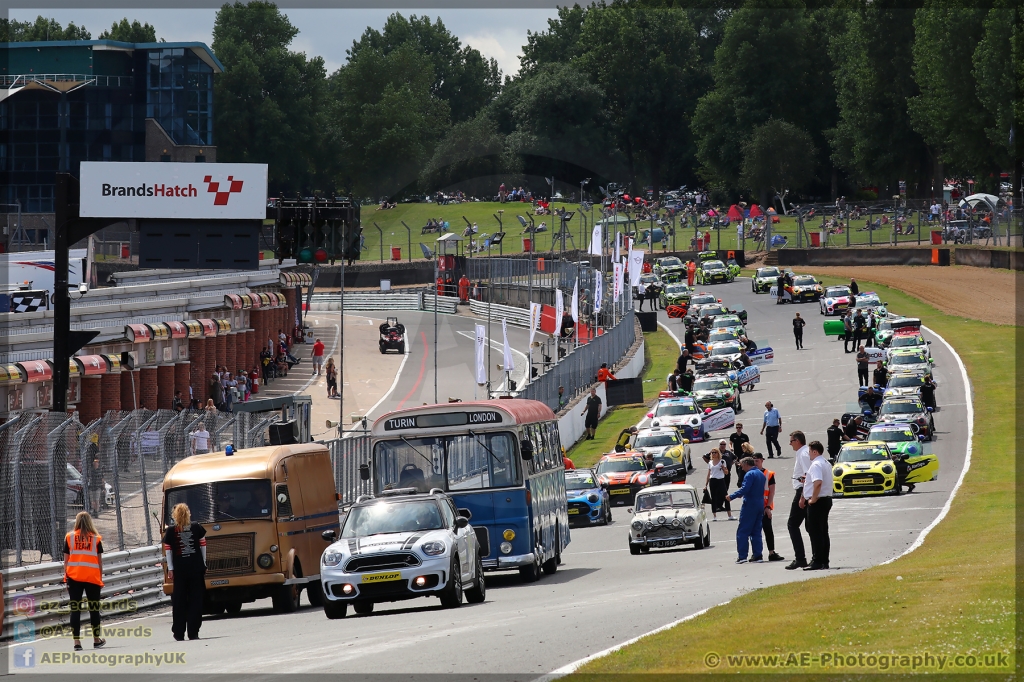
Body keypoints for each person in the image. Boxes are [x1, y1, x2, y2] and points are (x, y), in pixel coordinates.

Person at [163, 503, 208, 640]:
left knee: (179, 601)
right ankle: (193, 632)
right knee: (196, 600)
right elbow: (203, 546)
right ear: (188, 513)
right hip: (195, 568)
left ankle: (178, 632)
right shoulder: (196, 527)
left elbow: (168, 552)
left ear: (175, 515)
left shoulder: (171, 531)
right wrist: (204, 564)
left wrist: (170, 569)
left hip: (179, 571)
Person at [64, 511, 106, 651]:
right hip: (92, 578)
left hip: (74, 578)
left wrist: (66, 578)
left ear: (76, 522)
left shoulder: (69, 538)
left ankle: (77, 643)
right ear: (90, 522)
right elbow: (99, 563)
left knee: (75, 610)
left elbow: (66, 561)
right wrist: (100, 579)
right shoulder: (96, 539)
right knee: (94, 609)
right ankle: (96, 640)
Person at [799, 441, 833, 570]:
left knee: (815, 532)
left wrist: (813, 499)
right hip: (826, 499)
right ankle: (824, 560)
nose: (808, 454)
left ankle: (817, 560)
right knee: (823, 531)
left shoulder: (816, 464)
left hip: (818, 501)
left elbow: (818, 482)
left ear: (815, 451)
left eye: (809, 451)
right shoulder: (825, 463)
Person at [727, 457, 766, 563]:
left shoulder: (749, 474)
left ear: (746, 464)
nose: (741, 468)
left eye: (742, 465)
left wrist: (732, 496)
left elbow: (745, 488)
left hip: (750, 504)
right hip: (759, 503)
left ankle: (742, 556)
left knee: (743, 531)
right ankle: (758, 555)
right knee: (756, 531)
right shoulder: (761, 474)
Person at [785, 431, 812, 570]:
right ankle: (809, 557)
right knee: (808, 526)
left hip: (803, 491)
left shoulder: (803, 453)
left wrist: (802, 496)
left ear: (798, 440)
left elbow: (808, 475)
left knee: (792, 524)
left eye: (791, 441)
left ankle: (801, 558)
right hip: (804, 491)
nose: (790, 444)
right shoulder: (802, 452)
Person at [752, 453, 785, 561]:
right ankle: (756, 554)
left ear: (762, 460)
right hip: (754, 506)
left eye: (757, 460)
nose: (755, 463)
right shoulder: (750, 473)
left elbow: (771, 492)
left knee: (768, 529)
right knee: (754, 531)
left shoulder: (768, 474)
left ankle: (771, 552)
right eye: (754, 461)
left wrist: (768, 507)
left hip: (765, 506)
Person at [704, 449, 733, 521]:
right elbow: (708, 474)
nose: (713, 454)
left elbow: (726, 473)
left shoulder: (722, 461)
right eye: (712, 453)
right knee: (713, 498)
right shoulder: (710, 462)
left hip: (720, 480)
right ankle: (714, 516)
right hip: (713, 480)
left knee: (726, 496)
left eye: (715, 452)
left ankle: (729, 515)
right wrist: (706, 485)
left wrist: (724, 468)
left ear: (718, 453)